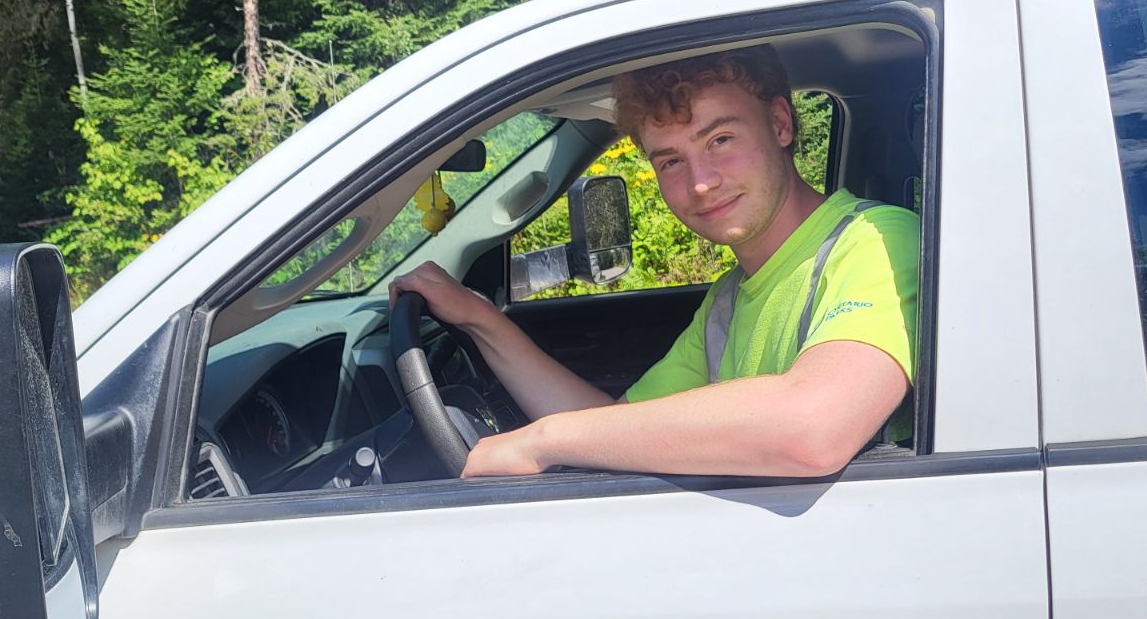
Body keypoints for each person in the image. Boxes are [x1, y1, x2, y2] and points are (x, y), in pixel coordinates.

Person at [392, 45, 918, 479]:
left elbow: (814, 429)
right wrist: (481, 320)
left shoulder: (874, 239)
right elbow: (610, 427)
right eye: (670, 160)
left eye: (721, 139)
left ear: (780, 123)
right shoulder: (731, 297)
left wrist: (541, 442)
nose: (701, 182)